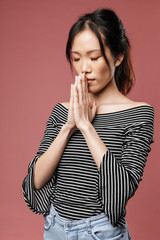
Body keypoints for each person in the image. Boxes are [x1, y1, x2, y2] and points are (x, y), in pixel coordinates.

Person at [22, 8, 154, 240]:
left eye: (94, 57)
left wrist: (86, 126)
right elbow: (36, 180)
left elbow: (121, 190)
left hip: (100, 233)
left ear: (118, 56)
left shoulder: (139, 114)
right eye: (76, 58)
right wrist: (69, 126)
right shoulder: (63, 111)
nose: (84, 68)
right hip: (54, 229)